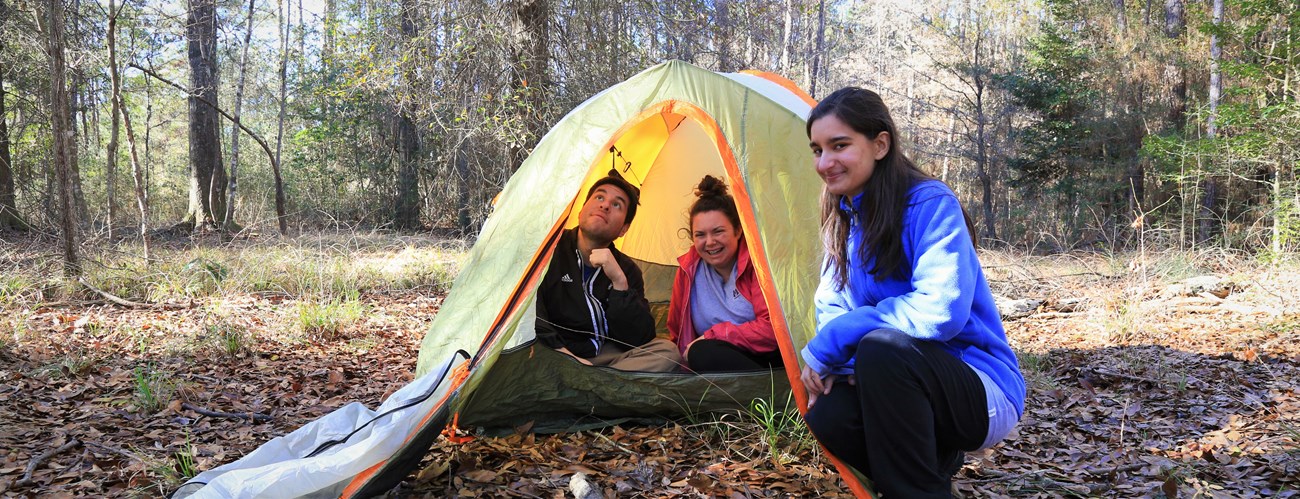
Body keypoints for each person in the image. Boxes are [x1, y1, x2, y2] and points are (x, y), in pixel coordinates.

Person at [799, 87, 1025, 498]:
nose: (825, 162)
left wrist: (838, 341)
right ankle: (928, 479)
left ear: (880, 144)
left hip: (978, 386)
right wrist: (836, 362)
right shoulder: (842, 217)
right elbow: (831, 304)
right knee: (829, 416)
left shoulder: (929, 203)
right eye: (817, 150)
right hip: (897, 382)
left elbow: (939, 311)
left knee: (883, 349)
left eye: (840, 145)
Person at [534, 170, 682, 372]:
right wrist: (568, 358)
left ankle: (591, 383)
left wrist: (619, 282)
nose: (604, 205)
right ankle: (603, 385)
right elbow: (531, 317)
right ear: (581, 211)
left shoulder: (627, 270)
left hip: (605, 357)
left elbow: (639, 337)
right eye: (599, 197)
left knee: (668, 353)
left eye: (616, 205)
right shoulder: (548, 251)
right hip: (556, 352)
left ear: (623, 229)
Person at [667, 175, 781, 373]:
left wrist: (716, 334)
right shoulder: (688, 271)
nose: (709, 242)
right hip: (718, 357)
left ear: (738, 230)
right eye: (700, 235)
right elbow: (677, 332)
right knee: (700, 353)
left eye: (718, 232)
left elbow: (772, 331)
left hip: (765, 357)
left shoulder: (757, 265)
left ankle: (766, 393)